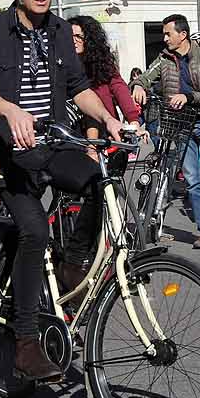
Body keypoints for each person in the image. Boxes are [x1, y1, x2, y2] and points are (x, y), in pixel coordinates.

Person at [0, 0, 124, 378]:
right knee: (34, 232)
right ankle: (25, 343)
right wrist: (10, 111)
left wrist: (109, 118)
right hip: (8, 153)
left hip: (51, 142)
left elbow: (78, 87)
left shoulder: (58, 31)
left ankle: (72, 265)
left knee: (98, 180)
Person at [132, 14, 200, 248]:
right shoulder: (164, 59)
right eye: (164, 34)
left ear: (182, 35)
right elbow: (146, 77)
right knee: (193, 182)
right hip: (181, 127)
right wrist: (138, 86)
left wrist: (188, 97)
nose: (165, 38)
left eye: (168, 34)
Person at [65, 14, 142, 259]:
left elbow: (119, 87)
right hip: (72, 134)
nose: (74, 40)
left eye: (80, 36)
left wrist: (133, 120)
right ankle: (77, 248)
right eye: (71, 36)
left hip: (104, 130)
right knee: (76, 194)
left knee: (105, 191)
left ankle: (109, 242)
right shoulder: (63, 65)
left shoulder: (101, 64)